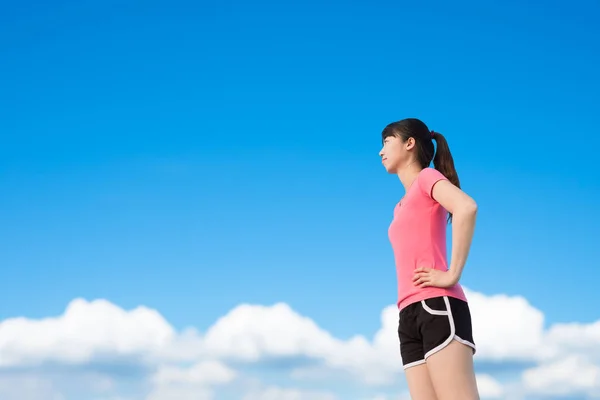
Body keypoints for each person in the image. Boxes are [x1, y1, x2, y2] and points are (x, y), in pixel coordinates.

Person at [379, 118, 480, 400]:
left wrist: (452, 274)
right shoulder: (400, 205)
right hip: (408, 313)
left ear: (409, 143)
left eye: (387, 141)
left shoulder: (427, 177)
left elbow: (466, 207)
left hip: (436, 304)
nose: (380, 151)